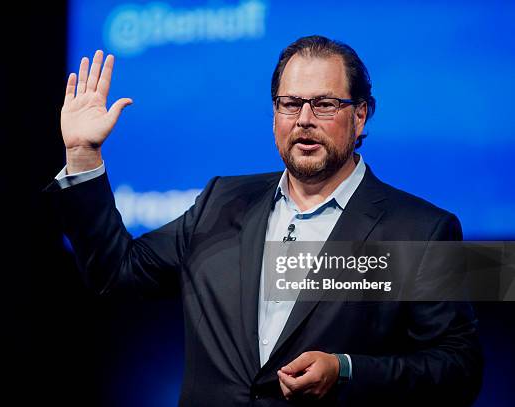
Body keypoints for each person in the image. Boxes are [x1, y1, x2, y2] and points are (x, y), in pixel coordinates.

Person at [44, 36, 483, 406]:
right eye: (290, 104)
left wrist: (346, 370)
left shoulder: (423, 231)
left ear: (361, 114)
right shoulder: (221, 201)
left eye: (325, 105)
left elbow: (459, 370)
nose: (305, 120)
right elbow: (115, 273)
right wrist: (83, 155)